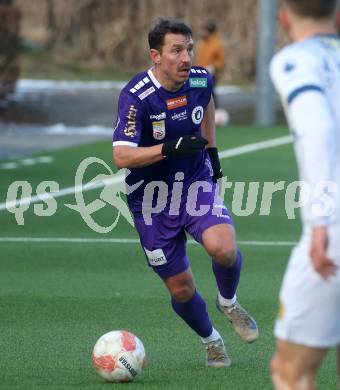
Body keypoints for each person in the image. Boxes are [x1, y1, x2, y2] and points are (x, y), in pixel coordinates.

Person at [112, 18, 258, 367]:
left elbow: (204, 104)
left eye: (188, 48)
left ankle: (229, 301)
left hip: (193, 182)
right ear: (156, 56)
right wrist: (167, 148)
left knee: (223, 248)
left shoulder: (200, 78)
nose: (186, 57)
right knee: (181, 288)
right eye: (176, 50)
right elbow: (121, 156)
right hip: (151, 201)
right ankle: (212, 340)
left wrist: (212, 155)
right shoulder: (136, 97)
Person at [270, 0, 340, 388]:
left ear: (283, 16)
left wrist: (320, 222)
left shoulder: (294, 60)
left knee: (291, 372)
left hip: (333, 230)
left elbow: (318, 131)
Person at [195, 21, 225, 108]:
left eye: (204, 31)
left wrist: (213, 66)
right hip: (199, 73)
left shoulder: (217, 44)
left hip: (210, 74)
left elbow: (221, 61)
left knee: (210, 93)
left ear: (210, 31)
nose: (202, 33)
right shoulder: (202, 43)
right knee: (199, 92)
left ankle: (215, 111)